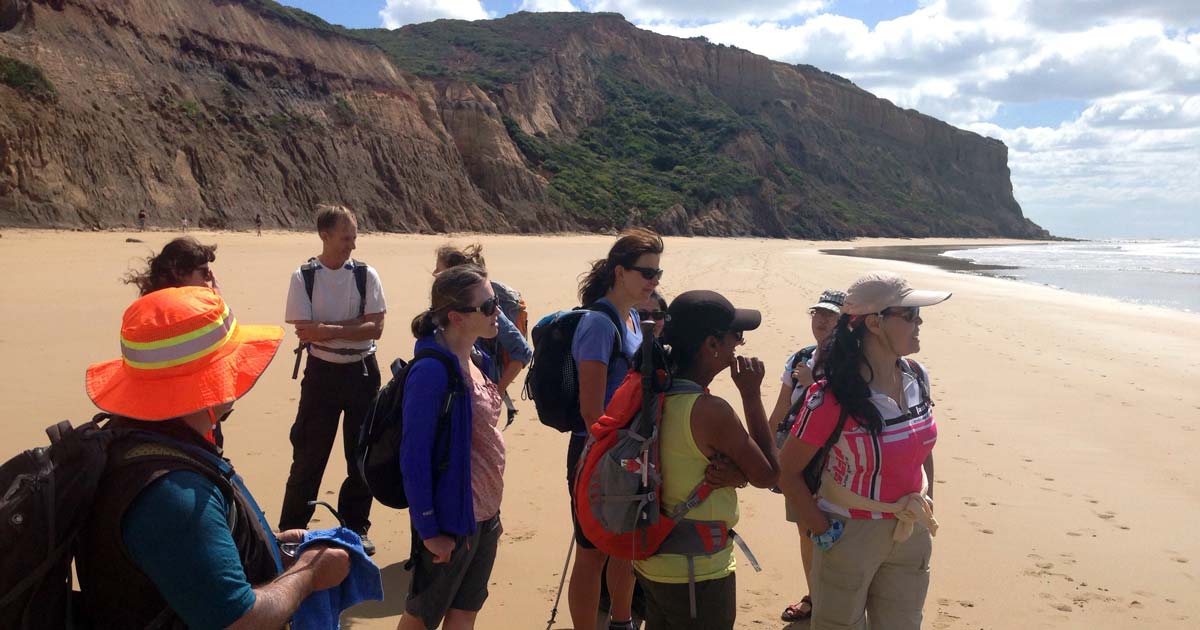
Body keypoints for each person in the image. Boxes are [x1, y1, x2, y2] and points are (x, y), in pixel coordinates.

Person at [77, 286, 351, 628]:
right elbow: (238, 621)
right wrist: (310, 572)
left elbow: (184, 562)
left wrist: (268, 543)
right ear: (206, 383)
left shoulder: (138, 441)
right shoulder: (174, 494)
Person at [778, 272, 948, 630]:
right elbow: (788, 470)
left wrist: (927, 498)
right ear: (874, 322)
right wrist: (822, 530)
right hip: (848, 532)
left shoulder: (917, 376)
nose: (919, 323)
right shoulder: (831, 395)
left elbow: (923, 452)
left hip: (909, 527)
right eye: (910, 314)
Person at [630, 290, 779, 630]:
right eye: (734, 336)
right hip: (697, 571)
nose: (738, 344)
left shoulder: (651, 389)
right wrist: (751, 395)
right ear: (711, 345)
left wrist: (737, 474)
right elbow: (770, 474)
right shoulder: (710, 411)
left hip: (650, 558)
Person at [398, 264, 506, 630]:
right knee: (421, 618)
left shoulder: (479, 359)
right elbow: (413, 457)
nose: (498, 312)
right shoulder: (431, 372)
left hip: (486, 515)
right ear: (456, 317)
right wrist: (429, 531)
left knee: (464, 613)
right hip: (452, 519)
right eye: (489, 306)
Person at [569, 228, 663, 630]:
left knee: (625, 546)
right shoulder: (599, 324)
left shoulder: (634, 321)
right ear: (619, 272)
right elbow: (592, 411)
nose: (654, 282)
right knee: (591, 553)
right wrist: (618, 458)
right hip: (598, 453)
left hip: (628, 451)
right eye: (647, 273)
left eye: (657, 274)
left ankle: (622, 622)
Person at [281, 205, 386, 555]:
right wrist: (346, 331)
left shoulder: (366, 274)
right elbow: (304, 333)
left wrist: (326, 329)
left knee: (361, 457)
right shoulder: (304, 276)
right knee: (309, 457)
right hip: (321, 376)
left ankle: (356, 528)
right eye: (346, 238)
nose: (352, 245)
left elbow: (377, 328)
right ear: (324, 236)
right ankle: (290, 531)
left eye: (354, 237)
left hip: (362, 372)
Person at [770, 289, 845, 623]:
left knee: (843, 529)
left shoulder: (852, 365)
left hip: (837, 460)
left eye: (830, 315)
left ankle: (841, 598)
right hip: (799, 459)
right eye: (817, 313)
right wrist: (767, 447)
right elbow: (781, 410)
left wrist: (816, 382)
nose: (822, 320)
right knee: (806, 528)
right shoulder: (799, 357)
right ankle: (815, 596)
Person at [433, 243, 533, 427]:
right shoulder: (450, 308)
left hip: (481, 392)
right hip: (461, 389)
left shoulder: (485, 308)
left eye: (439, 270)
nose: (434, 274)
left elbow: (523, 350)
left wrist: (497, 393)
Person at [124, 236, 220, 296]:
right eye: (204, 272)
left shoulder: (149, 303)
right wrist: (216, 301)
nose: (208, 278)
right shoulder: (191, 310)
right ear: (180, 273)